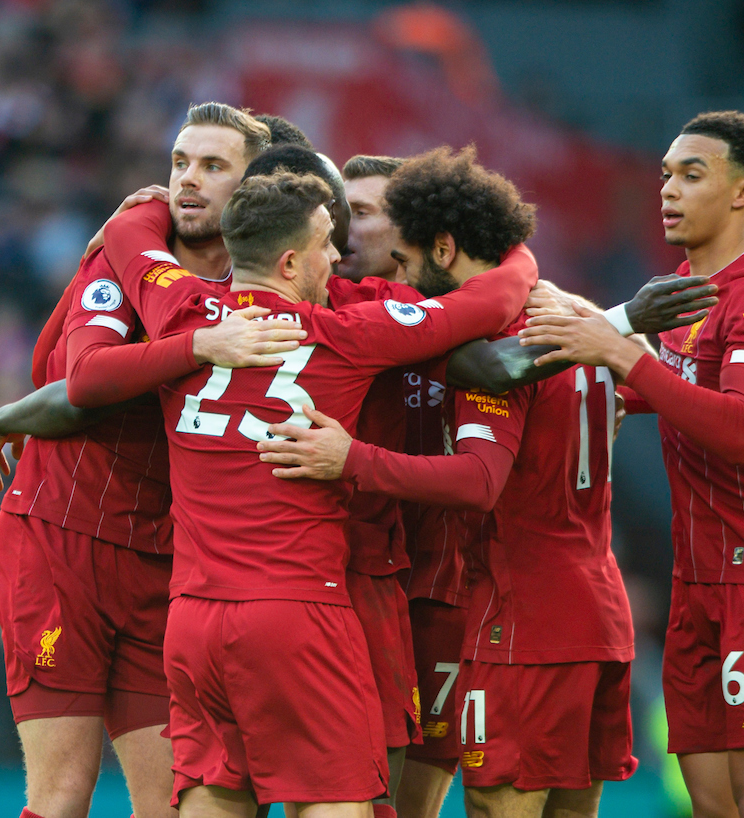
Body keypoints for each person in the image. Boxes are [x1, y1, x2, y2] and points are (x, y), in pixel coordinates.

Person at [64, 171, 537, 817]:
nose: (338, 257)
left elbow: (126, 237)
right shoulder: (343, 336)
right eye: (325, 244)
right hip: (296, 615)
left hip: (194, 620)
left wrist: (151, 204)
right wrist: (520, 248)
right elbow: (491, 305)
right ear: (291, 262)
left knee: (215, 801)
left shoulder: (180, 313)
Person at [256, 148, 648, 818]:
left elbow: (478, 479)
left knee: (486, 806)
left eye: (382, 227)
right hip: (595, 610)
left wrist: (349, 458)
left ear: (442, 244)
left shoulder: (493, 340)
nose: (356, 237)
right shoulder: (576, 316)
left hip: (513, 613)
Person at [0, 103, 302, 818]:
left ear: (255, 189)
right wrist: (195, 343)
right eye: (180, 162)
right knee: (63, 795)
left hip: (165, 565)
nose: (187, 181)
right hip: (59, 543)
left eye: (213, 167)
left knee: (169, 804)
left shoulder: (276, 288)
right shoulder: (133, 249)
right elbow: (65, 373)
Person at [517, 111, 744, 818]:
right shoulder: (684, 291)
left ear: (743, 193)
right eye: (665, 173)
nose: (668, 189)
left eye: (692, 175)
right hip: (698, 576)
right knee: (713, 802)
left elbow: (739, 428)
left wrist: (621, 353)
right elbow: (684, 390)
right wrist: (617, 390)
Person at [339, 155, 405, 283]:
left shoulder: (445, 301)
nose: (338, 226)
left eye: (360, 213)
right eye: (339, 212)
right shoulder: (301, 298)